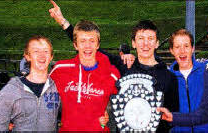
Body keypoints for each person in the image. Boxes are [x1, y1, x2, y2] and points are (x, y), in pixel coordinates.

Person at [48, 1, 178, 132]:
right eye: (140, 38)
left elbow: (172, 116)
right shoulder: (124, 65)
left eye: (150, 38)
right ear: (133, 43)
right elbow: (89, 47)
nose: (145, 44)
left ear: (157, 43)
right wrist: (63, 22)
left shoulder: (169, 77)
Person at [49, 20, 121, 131]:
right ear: (75, 45)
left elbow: (127, 100)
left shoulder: (112, 74)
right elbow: (38, 89)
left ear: (98, 45)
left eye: (92, 41)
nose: (88, 46)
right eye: (82, 41)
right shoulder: (60, 69)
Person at [0, 35, 60, 131]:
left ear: (51, 57)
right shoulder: (10, 91)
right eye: (36, 51)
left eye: (46, 51)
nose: (42, 56)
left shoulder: (57, 87)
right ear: (27, 56)